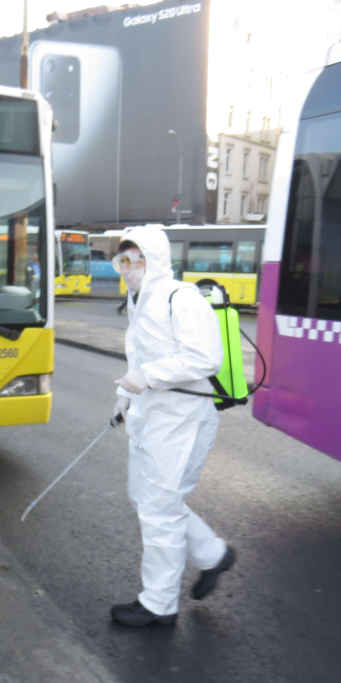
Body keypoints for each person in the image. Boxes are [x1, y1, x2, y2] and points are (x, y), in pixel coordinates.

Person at [108, 224, 236, 627]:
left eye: (132, 259)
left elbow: (205, 358)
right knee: (143, 498)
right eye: (121, 260)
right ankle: (214, 555)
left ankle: (159, 604)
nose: (126, 268)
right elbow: (141, 355)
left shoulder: (181, 298)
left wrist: (148, 377)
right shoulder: (139, 300)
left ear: (153, 259)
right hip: (152, 417)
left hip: (181, 420)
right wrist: (127, 395)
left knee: (159, 510)